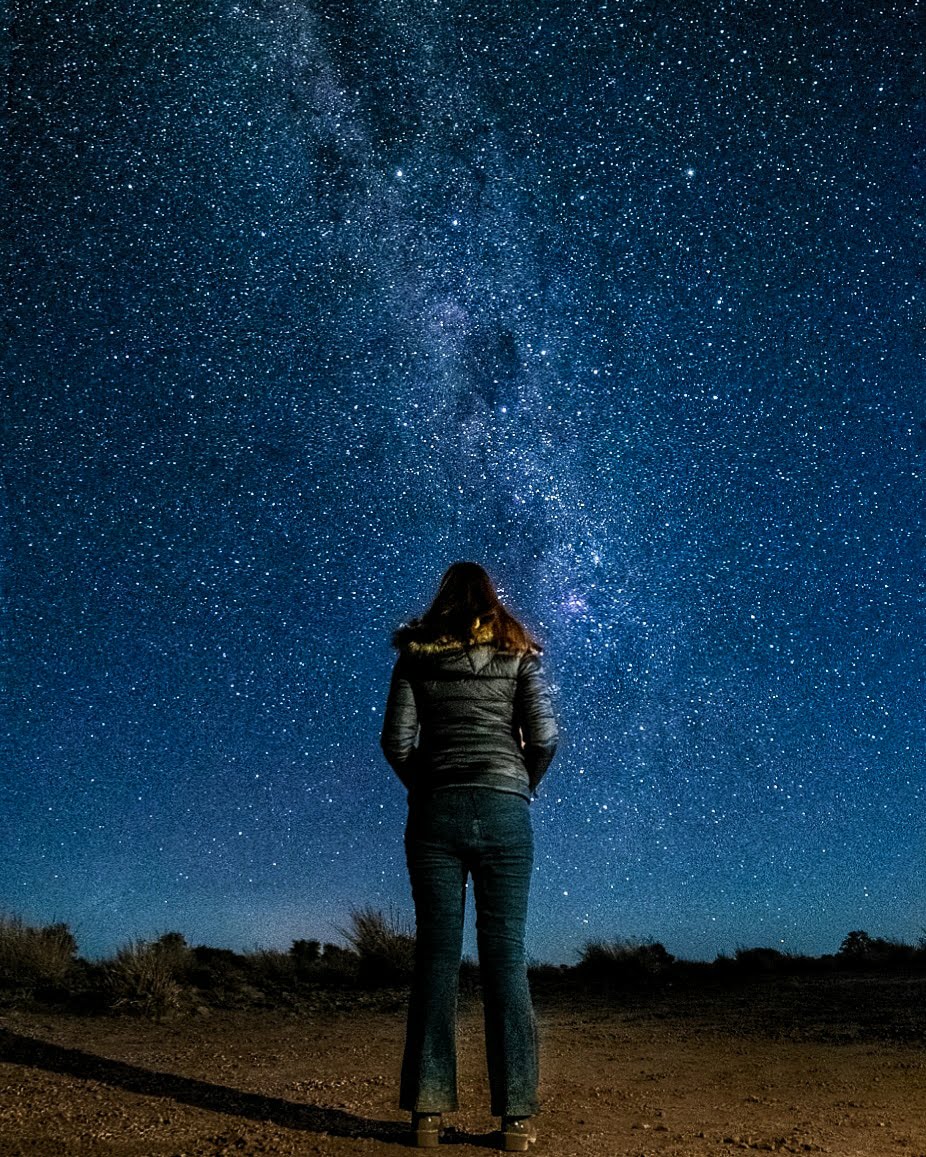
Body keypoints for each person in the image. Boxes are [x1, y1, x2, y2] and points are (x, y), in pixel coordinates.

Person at [380, 561, 558, 1152]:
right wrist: (518, 783)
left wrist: (428, 786)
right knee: (506, 958)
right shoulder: (519, 654)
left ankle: (427, 1115)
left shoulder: (415, 655)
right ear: (490, 599)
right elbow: (545, 737)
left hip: (435, 812)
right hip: (506, 811)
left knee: (436, 958)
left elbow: (396, 743)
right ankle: (516, 1120)